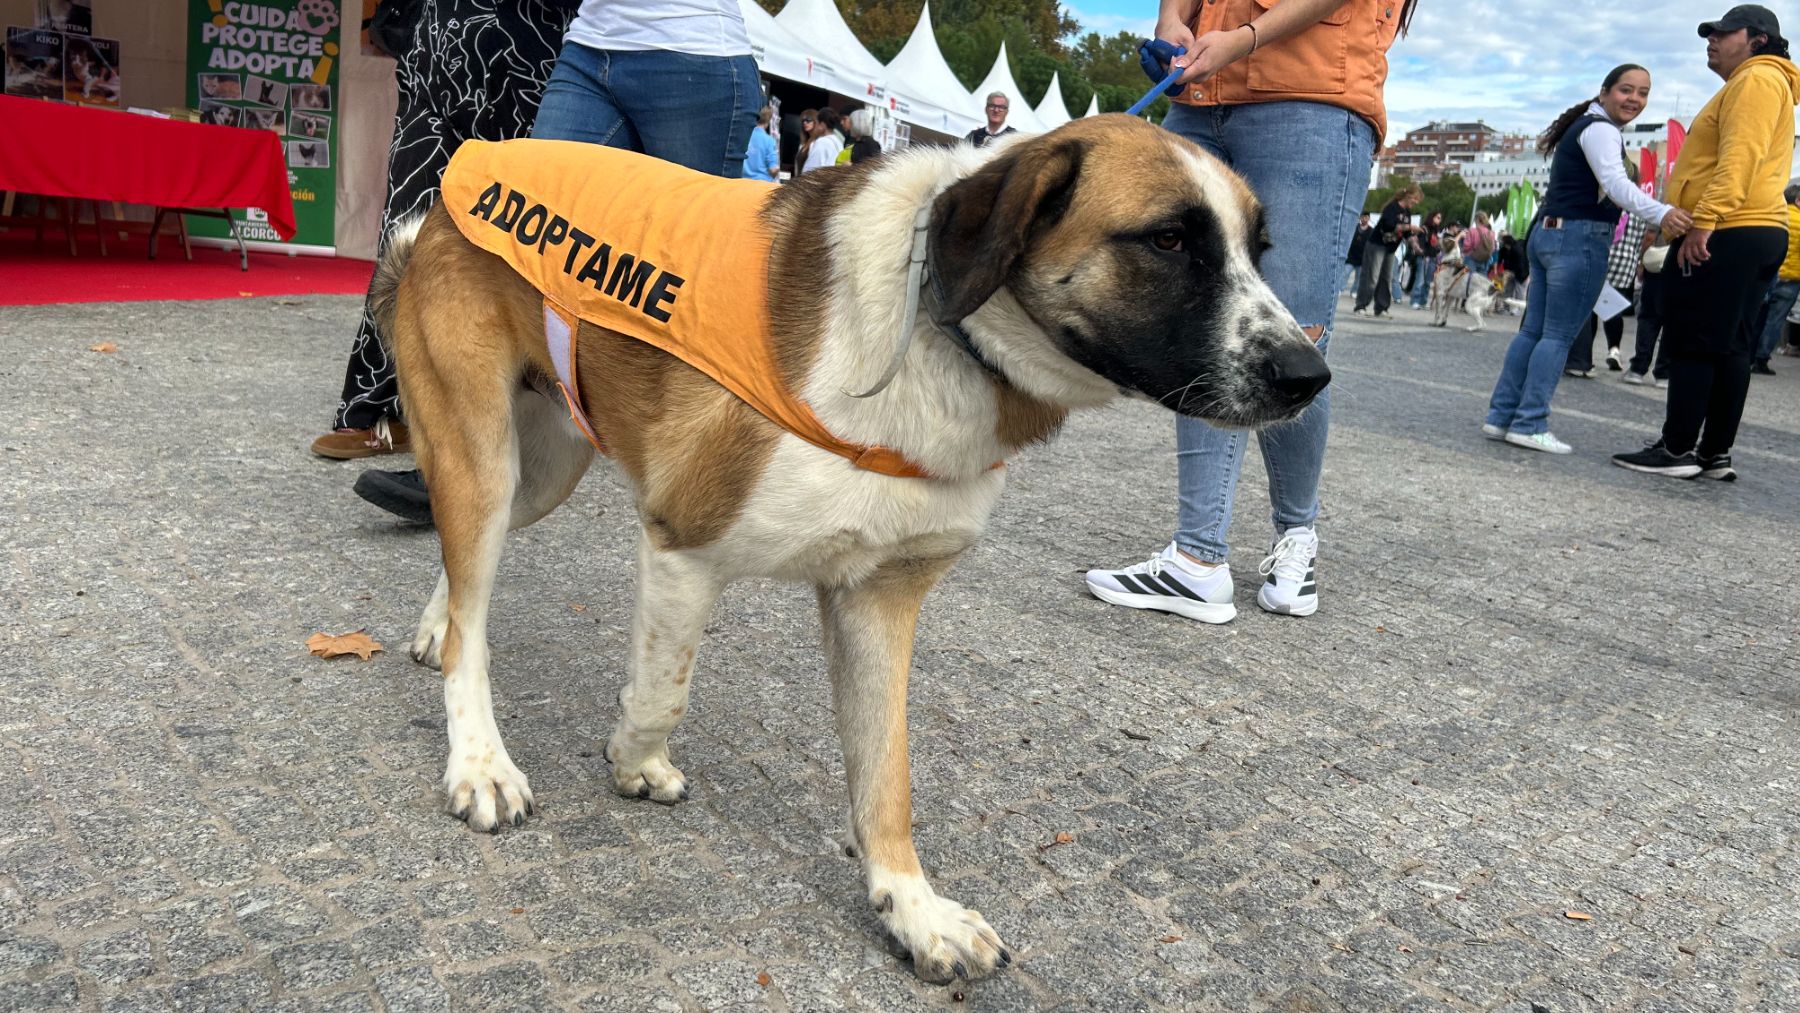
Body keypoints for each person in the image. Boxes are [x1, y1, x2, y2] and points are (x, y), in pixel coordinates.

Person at [353, 0, 762, 522]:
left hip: (694, 56)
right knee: (529, 257)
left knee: (687, 286)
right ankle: (469, 472)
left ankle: (699, 486)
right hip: (591, 46)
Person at [1085, 0, 1411, 624]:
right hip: (1199, 94)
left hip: (1312, 99)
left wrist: (1244, 38)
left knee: (1297, 338)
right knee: (1205, 326)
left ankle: (1297, 537)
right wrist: (1171, 22)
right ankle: (1197, 558)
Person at [310, 0, 572, 463]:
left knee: (514, 240)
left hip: (529, 53)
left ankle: (515, 414)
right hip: (435, 49)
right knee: (405, 231)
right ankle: (377, 406)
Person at [1615, 6, 1799, 480]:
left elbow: (1740, 156)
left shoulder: (1755, 80)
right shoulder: (1768, 82)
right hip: (1757, 226)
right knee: (1731, 345)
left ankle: (1677, 449)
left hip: (1730, 227)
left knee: (1694, 340)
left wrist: (1705, 221)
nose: (1711, 41)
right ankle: (1714, 452)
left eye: (1723, 33)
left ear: (1757, 39)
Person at [1481, 64, 1689, 456]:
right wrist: (1662, 212)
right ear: (1605, 92)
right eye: (1626, 90)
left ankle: (1502, 416)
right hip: (1579, 237)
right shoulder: (1602, 130)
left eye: (1643, 93)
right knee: (1557, 336)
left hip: (1549, 232)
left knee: (1532, 332)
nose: (1635, 99)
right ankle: (1529, 422)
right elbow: (1616, 185)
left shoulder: (1584, 126)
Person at [1565, 213, 1650, 376]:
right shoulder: (1638, 212)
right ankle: (1614, 349)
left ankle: (1584, 355)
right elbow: (1642, 239)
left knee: (1591, 307)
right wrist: (1638, 260)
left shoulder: (1609, 205)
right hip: (1625, 262)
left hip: (1604, 256)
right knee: (1613, 307)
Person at [1748, 183, 1800, 374]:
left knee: (1758, 315)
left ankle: (1747, 355)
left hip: (1768, 274)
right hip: (1791, 279)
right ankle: (1761, 359)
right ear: (1798, 200)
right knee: (1775, 321)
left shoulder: (1775, 217)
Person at [1354, 184, 1420, 318]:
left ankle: (1381, 307)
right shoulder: (1392, 207)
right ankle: (1361, 305)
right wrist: (1409, 226)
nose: (1416, 202)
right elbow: (1388, 225)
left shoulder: (1407, 212)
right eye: (1415, 199)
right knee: (1371, 276)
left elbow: (1407, 233)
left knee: (1386, 278)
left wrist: (1415, 245)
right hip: (1377, 245)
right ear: (1408, 196)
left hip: (1390, 248)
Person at [1407, 209, 1444, 308]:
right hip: (1424, 257)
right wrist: (1424, 255)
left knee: (1428, 281)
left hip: (1433, 258)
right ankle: (1415, 300)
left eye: (1440, 218)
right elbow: (1422, 244)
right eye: (1438, 218)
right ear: (1432, 217)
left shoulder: (1436, 231)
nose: (1439, 220)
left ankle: (1423, 301)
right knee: (1420, 279)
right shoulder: (1424, 229)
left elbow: (1436, 245)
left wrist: (1437, 253)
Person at [742, 105, 780, 182]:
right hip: (761, 183)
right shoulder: (769, 140)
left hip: (741, 182)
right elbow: (772, 169)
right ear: (768, 121)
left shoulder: (744, 136)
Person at [800, 107, 844, 172]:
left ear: (822, 124)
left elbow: (810, 169)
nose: (816, 126)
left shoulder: (822, 142)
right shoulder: (838, 141)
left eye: (817, 123)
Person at [1344, 212, 1370, 294]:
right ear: (1360, 218)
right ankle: (1340, 289)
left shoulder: (1371, 231)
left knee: (1359, 277)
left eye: (1366, 217)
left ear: (1369, 218)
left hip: (1362, 259)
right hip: (1350, 257)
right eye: (1363, 217)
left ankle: (1354, 291)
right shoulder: (1354, 228)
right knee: (1345, 273)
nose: (1364, 219)